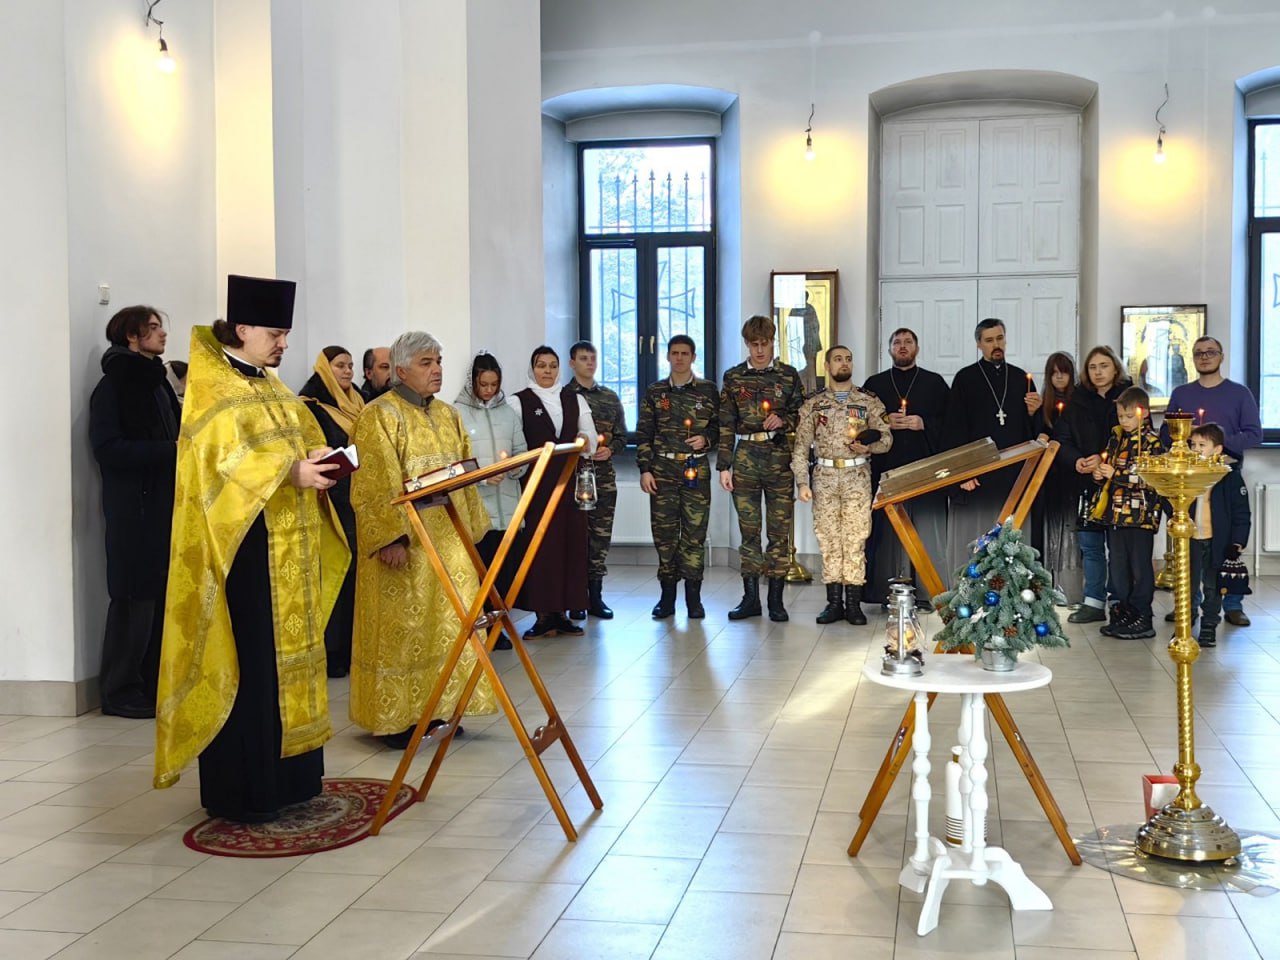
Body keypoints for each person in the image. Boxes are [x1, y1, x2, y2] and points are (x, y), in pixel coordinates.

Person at [155, 275, 349, 824]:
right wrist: (291, 471)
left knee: (289, 662)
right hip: (245, 554)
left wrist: (318, 454)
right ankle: (245, 790)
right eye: (275, 332)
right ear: (242, 329)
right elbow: (216, 464)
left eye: (285, 333)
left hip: (289, 547)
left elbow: (293, 437)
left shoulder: (270, 384)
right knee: (255, 665)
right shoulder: (215, 391)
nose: (284, 343)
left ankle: (293, 780)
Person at [350, 331, 497, 749]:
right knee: (407, 627)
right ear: (400, 370)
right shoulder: (379, 415)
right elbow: (373, 481)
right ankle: (398, 718)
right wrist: (389, 538)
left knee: (449, 625)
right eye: (426, 363)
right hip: (407, 544)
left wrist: (472, 531)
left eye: (439, 361)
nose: (437, 370)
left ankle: (445, 707)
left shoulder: (448, 414)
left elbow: (464, 473)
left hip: (450, 540)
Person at [89, 305, 181, 718]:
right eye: (153, 328)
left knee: (157, 599)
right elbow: (108, 448)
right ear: (131, 336)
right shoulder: (114, 387)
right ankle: (119, 690)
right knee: (132, 599)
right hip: (134, 508)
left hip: (164, 505)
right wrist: (172, 452)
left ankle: (148, 682)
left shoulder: (158, 383)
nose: (163, 335)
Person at [1162, 336, 1263, 627]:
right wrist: (1188, 440)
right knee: (1193, 544)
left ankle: (1231, 602)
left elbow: (1254, 434)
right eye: (1198, 353)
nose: (1204, 357)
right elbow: (1167, 434)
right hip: (1190, 479)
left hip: (1225, 475)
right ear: (1192, 359)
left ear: (1221, 356)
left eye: (1210, 352)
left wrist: (1215, 440)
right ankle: (1188, 605)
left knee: (1224, 541)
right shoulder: (1182, 393)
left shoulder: (1239, 393)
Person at [793, 345, 892, 625]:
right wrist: (802, 481)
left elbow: (886, 439)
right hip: (824, 476)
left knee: (855, 538)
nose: (844, 364)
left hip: (856, 477)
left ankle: (853, 603)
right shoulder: (813, 403)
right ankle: (833, 603)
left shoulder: (867, 401)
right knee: (828, 539)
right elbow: (800, 447)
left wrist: (868, 446)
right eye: (838, 359)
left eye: (848, 359)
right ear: (827, 366)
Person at [717, 315, 805, 622]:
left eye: (764, 343)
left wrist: (784, 421)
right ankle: (751, 598)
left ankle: (776, 600)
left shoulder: (789, 375)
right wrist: (724, 466)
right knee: (749, 531)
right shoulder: (733, 377)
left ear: (772, 341)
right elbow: (725, 422)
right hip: (745, 456)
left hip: (779, 457)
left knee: (779, 531)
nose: (759, 350)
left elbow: (801, 415)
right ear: (746, 344)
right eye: (753, 344)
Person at [510, 346, 598, 638]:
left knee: (570, 545)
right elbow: (513, 442)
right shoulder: (518, 401)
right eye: (541, 365)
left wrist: (584, 439)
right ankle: (542, 613)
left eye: (552, 366)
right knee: (540, 547)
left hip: (569, 483)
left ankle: (563, 612)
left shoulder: (574, 399)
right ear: (532, 369)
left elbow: (589, 435)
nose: (547, 371)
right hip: (536, 485)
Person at [942, 318, 1041, 575]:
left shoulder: (1021, 378)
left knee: (1012, 539)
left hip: (1014, 475)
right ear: (979, 344)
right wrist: (963, 472)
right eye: (989, 340)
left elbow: (1034, 433)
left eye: (999, 338)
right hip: (979, 475)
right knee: (978, 540)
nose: (996, 345)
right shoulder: (965, 379)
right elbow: (954, 430)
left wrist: (1035, 412)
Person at [862, 327, 950, 607]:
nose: (902, 346)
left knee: (925, 527)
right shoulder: (874, 384)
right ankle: (881, 589)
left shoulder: (934, 383)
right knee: (885, 531)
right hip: (885, 467)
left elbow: (951, 423)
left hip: (925, 467)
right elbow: (860, 426)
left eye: (908, 342)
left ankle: (927, 590)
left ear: (917, 348)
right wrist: (885, 422)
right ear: (889, 350)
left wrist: (924, 423)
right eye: (897, 342)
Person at [636, 335, 720, 619]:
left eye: (685, 353)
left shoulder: (708, 390)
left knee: (694, 534)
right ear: (668, 357)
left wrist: (706, 439)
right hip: (663, 472)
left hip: (695, 470)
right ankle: (667, 596)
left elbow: (721, 428)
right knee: (665, 536)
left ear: (694, 357)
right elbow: (644, 432)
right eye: (675, 353)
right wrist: (645, 469)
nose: (680, 358)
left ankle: (693, 598)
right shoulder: (656, 391)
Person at [298, 346, 366, 677]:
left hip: (360, 498)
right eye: (340, 365)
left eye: (351, 365)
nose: (347, 371)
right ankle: (332, 650)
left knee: (359, 573)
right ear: (325, 368)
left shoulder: (360, 401)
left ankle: (355, 645)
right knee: (338, 571)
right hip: (332, 500)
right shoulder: (311, 405)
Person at [455, 351, 528, 650]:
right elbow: (456, 462)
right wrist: (484, 476)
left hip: (508, 504)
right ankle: (480, 626)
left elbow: (522, 450)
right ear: (473, 382)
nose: (488, 390)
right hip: (479, 507)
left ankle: (498, 626)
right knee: (479, 570)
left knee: (503, 573)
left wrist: (515, 466)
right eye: (483, 384)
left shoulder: (508, 412)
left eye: (494, 384)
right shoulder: (456, 413)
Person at [1053, 346, 1131, 624]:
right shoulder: (1077, 401)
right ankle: (1094, 602)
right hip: (1087, 484)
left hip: (1120, 485)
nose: (1098, 372)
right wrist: (1077, 462)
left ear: (1115, 369)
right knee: (1090, 546)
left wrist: (1104, 461)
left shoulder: (1128, 398)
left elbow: (1135, 439)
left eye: (1104, 366)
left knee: (1120, 549)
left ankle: (1122, 602)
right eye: (1093, 367)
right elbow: (1060, 439)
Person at [1093, 386, 1165, 640]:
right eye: (1120, 416)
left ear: (1142, 413)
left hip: (1140, 516)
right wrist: (1101, 474)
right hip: (1116, 513)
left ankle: (1142, 616)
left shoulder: (1153, 442)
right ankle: (1123, 612)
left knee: (1139, 568)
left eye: (1128, 416)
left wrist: (1118, 475)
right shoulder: (1117, 438)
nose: (1123, 421)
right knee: (1118, 567)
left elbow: (1153, 478)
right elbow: (1110, 468)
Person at [567, 340, 628, 620]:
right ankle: (576, 597)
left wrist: (610, 449)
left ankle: (595, 596)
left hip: (603, 477)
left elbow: (623, 435)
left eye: (592, 358)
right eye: (583, 358)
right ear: (572, 363)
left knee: (600, 538)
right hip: (575, 476)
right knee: (577, 536)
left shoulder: (609, 397)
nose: (589, 363)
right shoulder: (564, 397)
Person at [1186, 423, 1251, 648]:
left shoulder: (1229, 477)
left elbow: (1242, 513)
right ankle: (1185, 625)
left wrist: (1237, 542)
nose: (1195, 449)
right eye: (1192, 444)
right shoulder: (1187, 473)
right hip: (1191, 539)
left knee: (1212, 586)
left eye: (1202, 445)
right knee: (1188, 584)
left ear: (1217, 449)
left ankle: (1208, 626)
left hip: (1217, 542)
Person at [1037, 351, 1081, 605]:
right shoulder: (1043, 403)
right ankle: (1049, 584)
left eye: (1063, 371)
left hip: (1071, 472)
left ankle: (1071, 586)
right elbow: (1038, 432)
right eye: (1054, 373)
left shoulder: (1080, 402)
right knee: (1049, 528)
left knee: (1071, 528)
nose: (1059, 377)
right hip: (1049, 475)